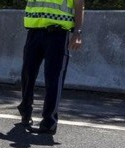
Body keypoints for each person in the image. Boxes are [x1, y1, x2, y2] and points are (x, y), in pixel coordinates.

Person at [17, 0, 84, 135]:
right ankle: (25, 112)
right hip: (34, 31)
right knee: (27, 74)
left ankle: (49, 122)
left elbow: (79, 4)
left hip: (57, 34)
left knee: (53, 78)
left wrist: (77, 32)